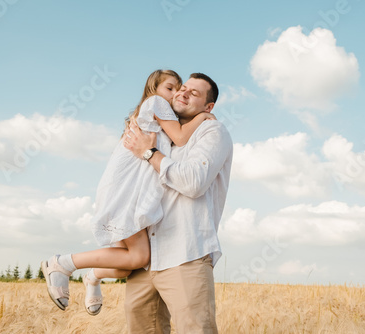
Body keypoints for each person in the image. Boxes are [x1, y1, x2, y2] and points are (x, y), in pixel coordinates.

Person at [41, 69, 216, 316]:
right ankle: (62, 263)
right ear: (154, 91)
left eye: (178, 88)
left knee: (126, 265)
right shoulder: (157, 103)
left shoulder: (153, 112)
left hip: (130, 188)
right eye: (170, 87)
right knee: (138, 257)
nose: (176, 93)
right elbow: (180, 138)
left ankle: (92, 277)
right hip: (127, 191)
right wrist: (203, 118)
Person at [122, 72, 233, 333]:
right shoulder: (160, 133)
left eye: (194, 93)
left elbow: (194, 182)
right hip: (146, 258)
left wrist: (149, 153)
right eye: (182, 88)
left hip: (186, 252)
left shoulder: (212, 130)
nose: (183, 93)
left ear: (209, 107)